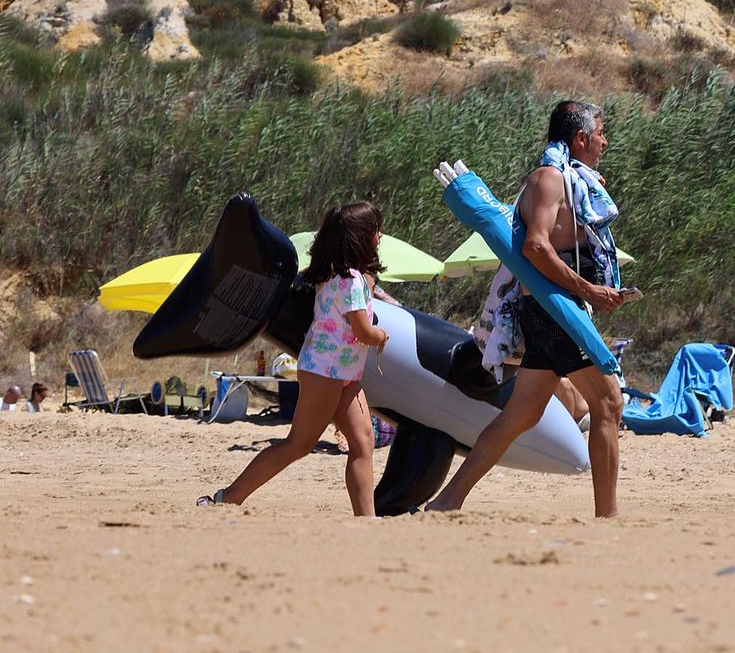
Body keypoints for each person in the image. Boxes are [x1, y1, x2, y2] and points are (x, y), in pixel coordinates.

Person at [428, 100, 630, 517]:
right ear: (580, 137)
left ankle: (447, 502)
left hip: (552, 310)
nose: (605, 141)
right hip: (553, 311)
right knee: (608, 402)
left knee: (521, 413)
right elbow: (535, 246)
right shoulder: (548, 180)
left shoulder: (572, 182)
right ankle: (607, 518)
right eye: (601, 132)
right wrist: (587, 290)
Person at [198, 201, 391, 515]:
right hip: (327, 373)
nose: (380, 237)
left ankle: (367, 520)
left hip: (339, 372)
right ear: (361, 237)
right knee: (299, 444)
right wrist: (381, 337)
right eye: (376, 231)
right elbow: (363, 331)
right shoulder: (351, 280)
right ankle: (228, 497)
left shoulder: (332, 274)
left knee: (362, 441)